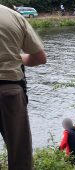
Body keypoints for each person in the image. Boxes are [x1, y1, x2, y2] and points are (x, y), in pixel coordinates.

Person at [0, 4, 47, 170]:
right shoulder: (13, 16)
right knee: (21, 158)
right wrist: (18, 58)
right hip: (10, 92)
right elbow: (40, 57)